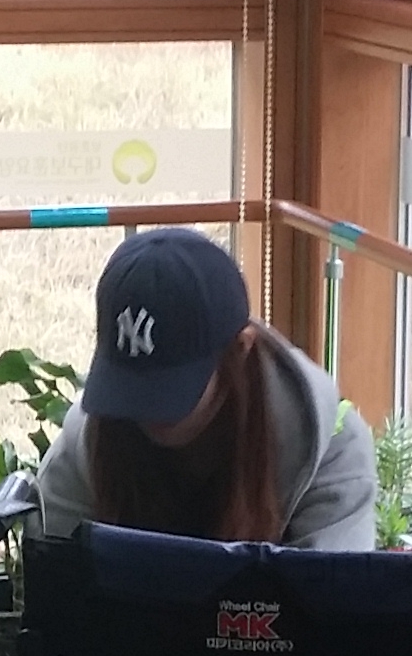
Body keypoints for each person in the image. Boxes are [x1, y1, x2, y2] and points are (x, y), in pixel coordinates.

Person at [29, 226, 376, 550]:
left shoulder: (330, 451)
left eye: (170, 384)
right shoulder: (86, 443)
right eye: (129, 385)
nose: (145, 408)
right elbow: (55, 573)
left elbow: (334, 592)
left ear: (239, 350)